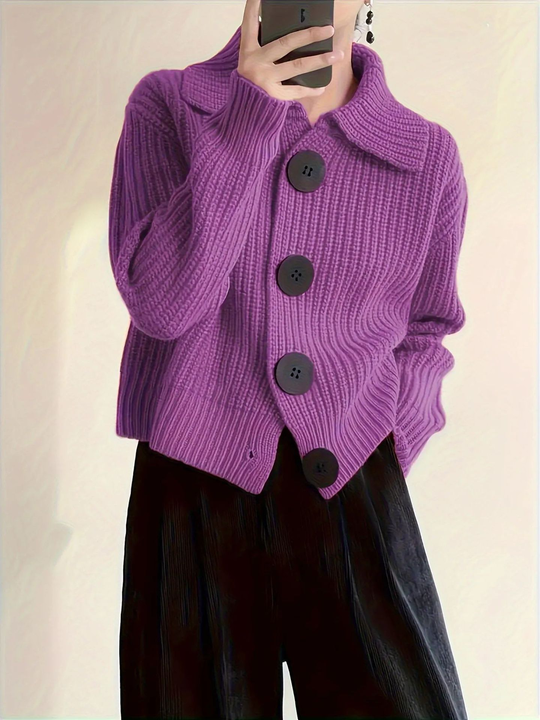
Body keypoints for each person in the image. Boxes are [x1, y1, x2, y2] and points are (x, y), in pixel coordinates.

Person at [109, 0, 470, 717]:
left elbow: (427, 329)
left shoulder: (424, 155)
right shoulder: (170, 107)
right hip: (193, 491)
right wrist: (245, 121)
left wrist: (386, 440)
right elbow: (162, 305)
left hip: (351, 486)